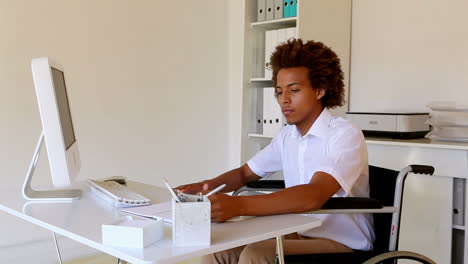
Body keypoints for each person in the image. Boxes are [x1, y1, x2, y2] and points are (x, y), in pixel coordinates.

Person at [176, 38, 374, 264]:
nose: (284, 100)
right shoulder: (287, 136)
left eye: (294, 90)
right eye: (279, 92)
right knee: (218, 249)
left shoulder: (344, 135)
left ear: (320, 90)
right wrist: (204, 188)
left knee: (258, 254)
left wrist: (238, 206)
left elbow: (313, 195)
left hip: (341, 243)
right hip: (297, 232)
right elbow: (244, 174)